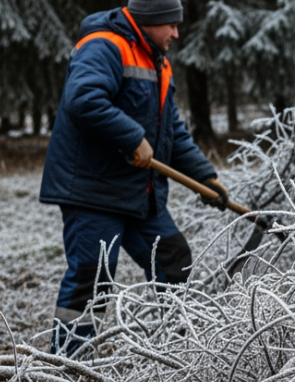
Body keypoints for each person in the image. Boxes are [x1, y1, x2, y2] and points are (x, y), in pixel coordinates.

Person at [40, 0, 228, 356]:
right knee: (93, 277)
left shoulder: (157, 60)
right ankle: (67, 366)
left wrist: (206, 177)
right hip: (94, 191)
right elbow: (82, 99)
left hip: (141, 194)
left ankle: (182, 355)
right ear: (148, 20)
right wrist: (131, 138)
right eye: (170, 24)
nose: (176, 32)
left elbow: (171, 129)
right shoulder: (104, 46)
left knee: (173, 259)